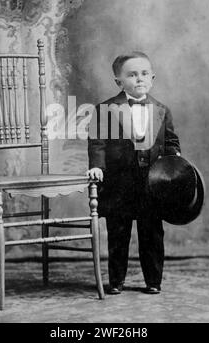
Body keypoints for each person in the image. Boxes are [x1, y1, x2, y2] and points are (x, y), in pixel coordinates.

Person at [87, 51, 181, 295]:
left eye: (144, 74)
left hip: (152, 184)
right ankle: (116, 281)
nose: (139, 79)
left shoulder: (161, 109)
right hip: (120, 184)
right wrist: (97, 165)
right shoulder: (106, 109)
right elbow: (98, 142)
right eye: (132, 74)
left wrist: (174, 159)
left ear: (152, 78)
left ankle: (153, 281)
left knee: (152, 234)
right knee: (118, 234)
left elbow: (170, 141)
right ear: (119, 81)